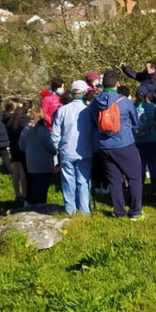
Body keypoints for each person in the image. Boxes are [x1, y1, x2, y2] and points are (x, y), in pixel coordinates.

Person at [89, 70, 143, 219]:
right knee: (134, 177)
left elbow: (92, 121)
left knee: (114, 179)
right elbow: (135, 122)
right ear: (117, 84)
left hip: (104, 146)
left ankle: (119, 212)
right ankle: (135, 212)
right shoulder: (124, 101)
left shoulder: (95, 102)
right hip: (124, 143)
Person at [51, 80, 94, 216]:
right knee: (83, 181)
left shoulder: (62, 110)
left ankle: (70, 210)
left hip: (67, 150)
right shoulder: (89, 110)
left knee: (68, 181)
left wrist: (57, 148)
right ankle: (84, 210)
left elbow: (55, 134)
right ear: (85, 92)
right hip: (85, 151)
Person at [19, 105, 57, 206]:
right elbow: (51, 148)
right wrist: (55, 151)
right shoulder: (44, 131)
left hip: (31, 164)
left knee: (33, 187)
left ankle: (30, 204)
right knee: (42, 189)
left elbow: (21, 146)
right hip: (45, 165)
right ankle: (40, 207)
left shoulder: (25, 130)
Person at [6, 100, 31, 204]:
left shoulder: (10, 122)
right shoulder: (24, 122)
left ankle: (17, 194)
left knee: (15, 170)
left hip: (13, 148)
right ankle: (25, 194)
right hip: (21, 148)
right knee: (23, 172)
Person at [136, 92, 156, 193]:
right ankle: (154, 185)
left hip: (140, 139)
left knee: (141, 164)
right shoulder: (155, 107)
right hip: (153, 138)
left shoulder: (138, 108)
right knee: (153, 163)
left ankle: (140, 184)